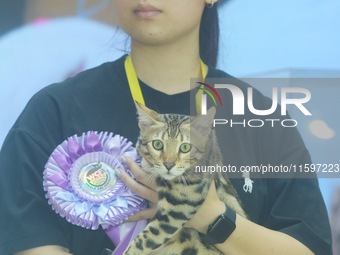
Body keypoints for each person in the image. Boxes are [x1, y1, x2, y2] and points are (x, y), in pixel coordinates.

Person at [0, 0, 332, 255]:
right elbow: (25, 237)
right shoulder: (55, 109)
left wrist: (211, 217)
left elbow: (307, 247)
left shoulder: (261, 117)